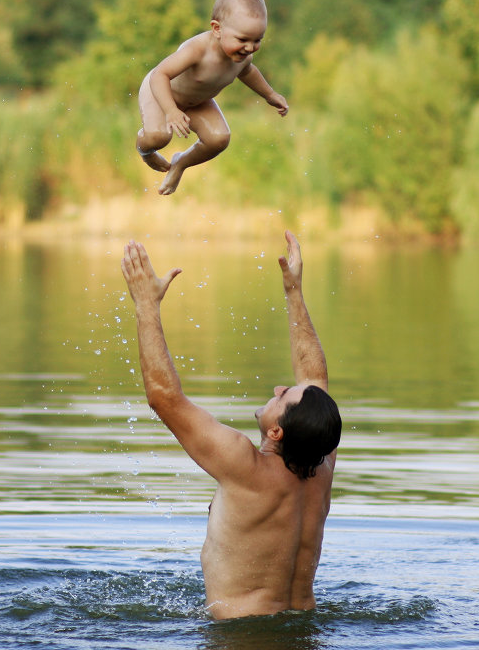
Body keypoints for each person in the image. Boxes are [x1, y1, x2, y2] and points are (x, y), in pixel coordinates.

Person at [120, 231, 341, 619]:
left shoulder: (246, 467)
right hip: (306, 634)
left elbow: (164, 399)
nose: (277, 387)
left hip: (238, 638)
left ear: (276, 433)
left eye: (282, 396)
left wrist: (146, 304)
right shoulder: (320, 461)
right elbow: (315, 382)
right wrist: (293, 292)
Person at [136, 0, 289, 195]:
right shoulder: (197, 50)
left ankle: (180, 163)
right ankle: (146, 150)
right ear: (217, 29)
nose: (250, 48)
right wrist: (171, 110)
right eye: (243, 39)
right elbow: (159, 75)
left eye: (257, 40)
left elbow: (248, 72)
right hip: (160, 92)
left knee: (219, 139)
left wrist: (270, 95)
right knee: (158, 136)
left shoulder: (242, 58)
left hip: (197, 102)